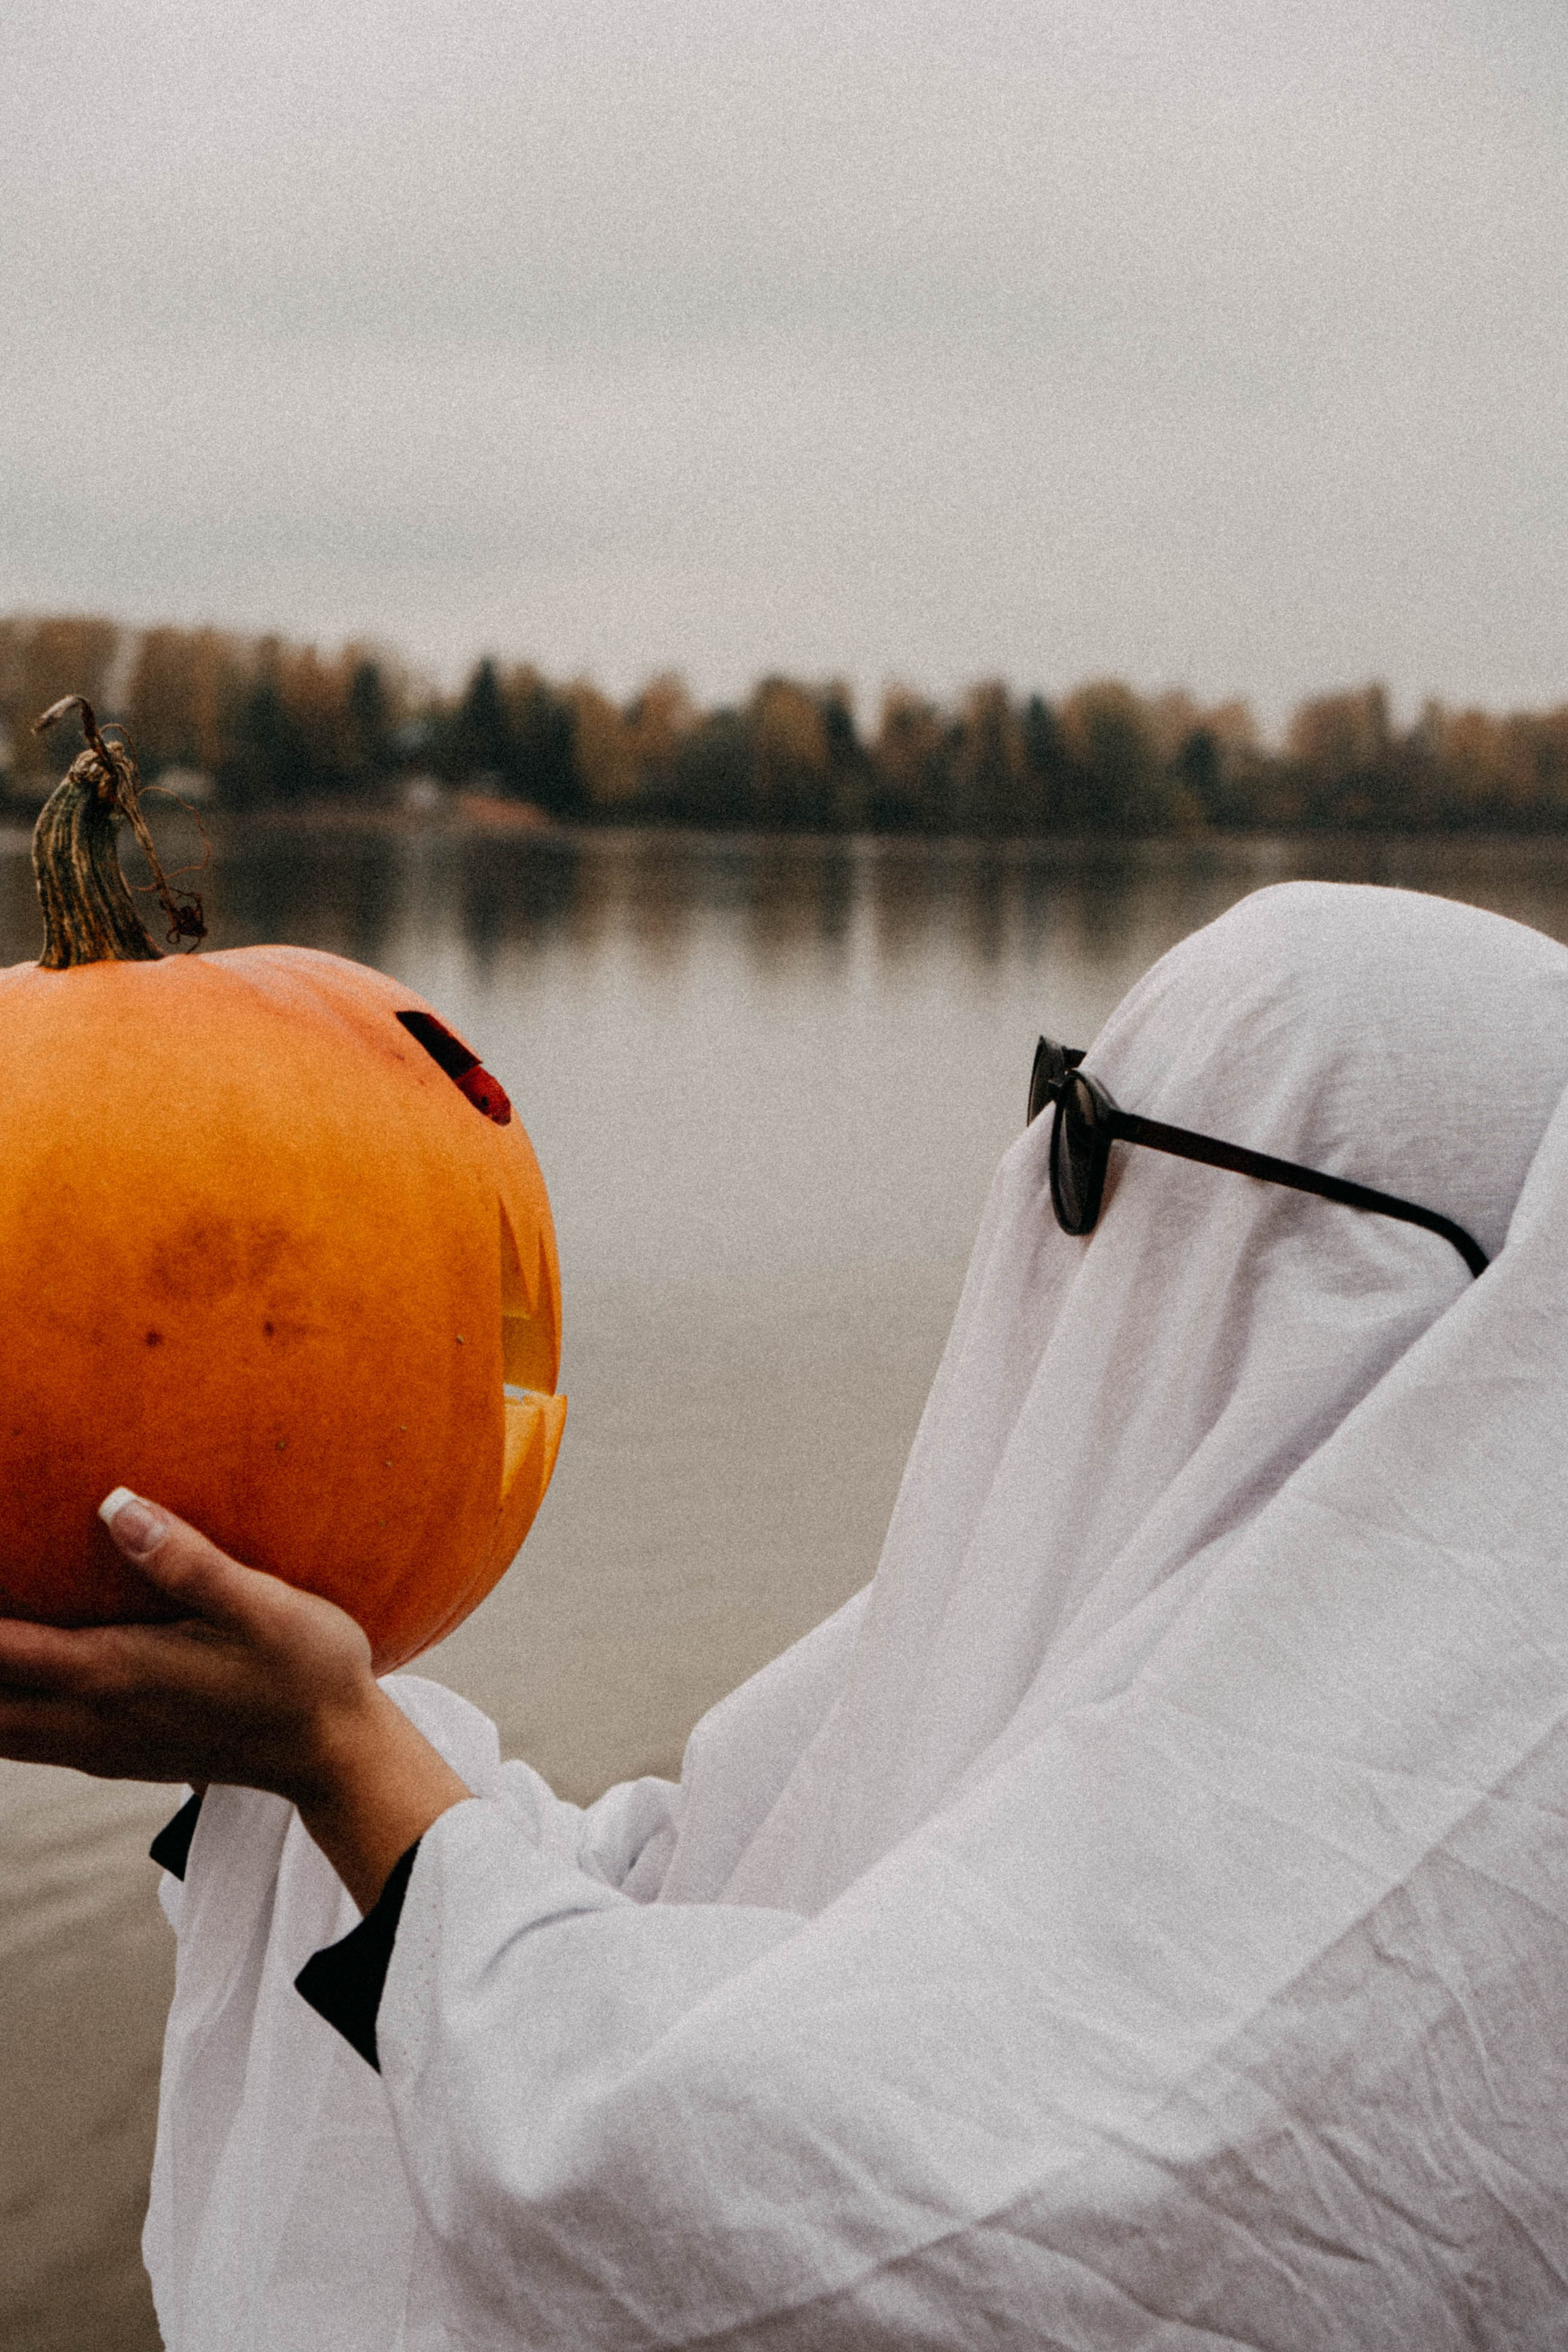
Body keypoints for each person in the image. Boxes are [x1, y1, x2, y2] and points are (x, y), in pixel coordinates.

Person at [4, 878, 1568, 2350]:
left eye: (1093, 1155)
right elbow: (697, 1904)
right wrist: (286, 1744)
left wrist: (343, 1755)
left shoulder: (1396, 1911)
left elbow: (793, 2208)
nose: (1048, 1213)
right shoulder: (1120, 1629)